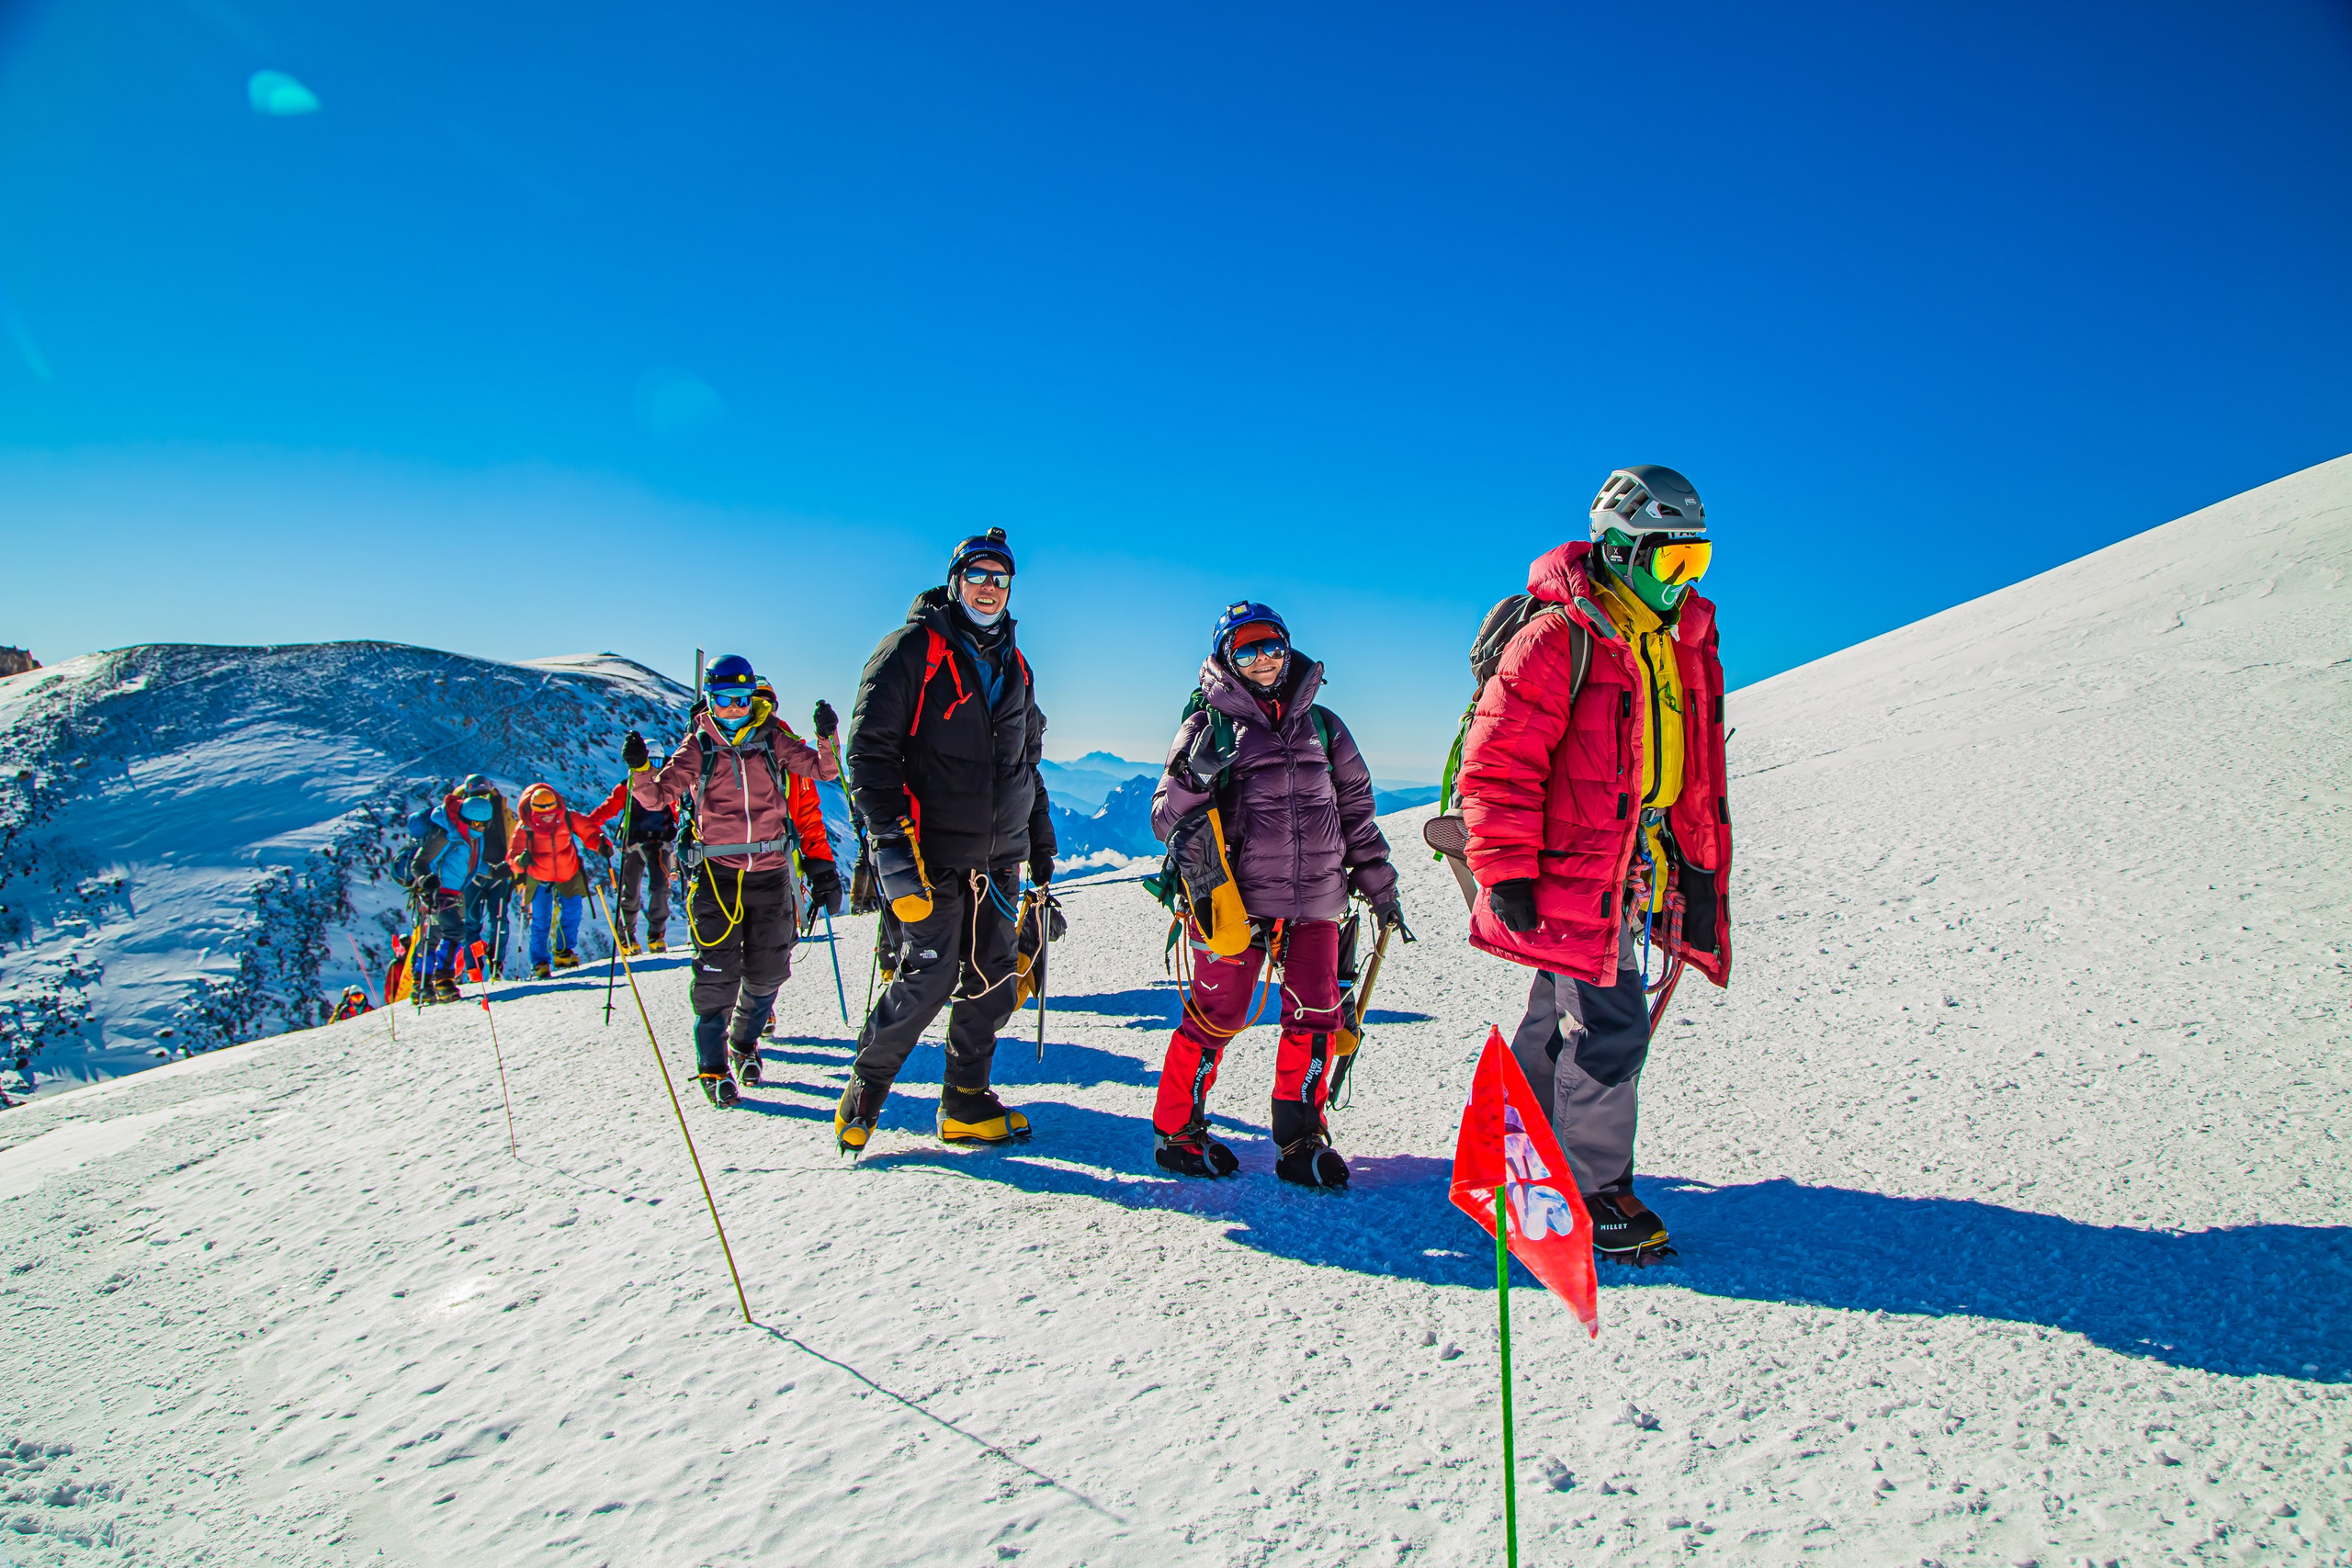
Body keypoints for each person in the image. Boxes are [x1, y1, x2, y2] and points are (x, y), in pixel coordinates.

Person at [1454, 465, 1733, 1263]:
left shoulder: (1667, 642)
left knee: (1557, 1021)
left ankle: (1512, 1157)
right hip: (1571, 874)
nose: (1682, 582)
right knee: (1610, 1029)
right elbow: (1499, 764)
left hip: (1629, 868)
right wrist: (1506, 869)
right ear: (1618, 551)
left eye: (1696, 561)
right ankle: (1591, 1193)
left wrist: (1692, 867)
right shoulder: (1560, 637)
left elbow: (1683, 769)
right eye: (1669, 560)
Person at [1148, 602, 1402, 1188]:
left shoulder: (1323, 725)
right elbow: (1164, 818)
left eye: (1271, 645)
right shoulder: (1207, 727)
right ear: (1226, 658)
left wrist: (1379, 887)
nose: (1262, 658)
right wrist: (1195, 776)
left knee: (1317, 1017)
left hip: (1317, 901)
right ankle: (1177, 1134)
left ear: (1287, 650)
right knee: (1215, 1017)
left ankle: (1301, 1140)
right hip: (1231, 903)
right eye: (1246, 649)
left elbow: (1356, 813)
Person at [836, 527, 1056, 1154]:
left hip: (1000, 857)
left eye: (1000, 578)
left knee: (993, 978)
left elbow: (1026, 764)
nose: (989, 587)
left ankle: (965, 1100)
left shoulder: (1016, 663)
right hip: (927, 851)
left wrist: (1039, 841)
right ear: (955, 581)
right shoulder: (911, 648)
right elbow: (869, 755)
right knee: (927, 977)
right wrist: (890, 843)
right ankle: (866, 1089)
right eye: (977, 575)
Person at [622, 655, 841, 1106]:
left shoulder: (772, 738)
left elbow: (824, 771)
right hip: (717, 875)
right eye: (725, 700)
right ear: (711, 700)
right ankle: (714, 1065)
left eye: (742, 698)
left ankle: (744, 1042)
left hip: (771, 872)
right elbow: (658, 797)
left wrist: (825, 737)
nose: (736, 708)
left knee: (769, 970)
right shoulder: (699, 745)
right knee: (717, 973)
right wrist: (640, 769)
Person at [406, 782, 504, 1003]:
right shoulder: (446, 834)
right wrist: (426, 879)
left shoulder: (470, 836)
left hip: (453, 893)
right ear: (467, 819)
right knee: (452, 932)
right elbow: (419, 862)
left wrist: (493, 871)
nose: (480, 828)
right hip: (436, 892)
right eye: (477, 824)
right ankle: (441, 981)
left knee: (436, 937)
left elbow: (470, 863)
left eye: (484, 824)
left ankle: (424, 984)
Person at [506, 783, 609, 979]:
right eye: (542, 814)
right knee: (541, 919)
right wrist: (520, 862)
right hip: (539, 876)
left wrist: (600, 844)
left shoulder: (567, 818)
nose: (547, 817)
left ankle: (564, 952)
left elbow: (589, 831)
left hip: (567, 873)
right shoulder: (525, 827)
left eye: (551, 813)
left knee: (572, 911)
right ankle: (540, 962)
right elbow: (513, 857)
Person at [587, 780, 680, 955]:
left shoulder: (630, 785)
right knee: (643, 891)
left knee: (653, 890)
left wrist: (587, 825)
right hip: (651, 842)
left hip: (644, 842)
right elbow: (677, 811)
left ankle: (636, 937)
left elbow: (608, 809)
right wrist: (587, 826)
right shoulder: (667, 782)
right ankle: (646, 937)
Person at [455, 774, 518, 976]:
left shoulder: (496, 810)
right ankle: (477, 967)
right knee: (480, 922)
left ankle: (487, 966)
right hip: (485, 873)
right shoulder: (499, 808)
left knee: (482, 922)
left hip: (490, 873)